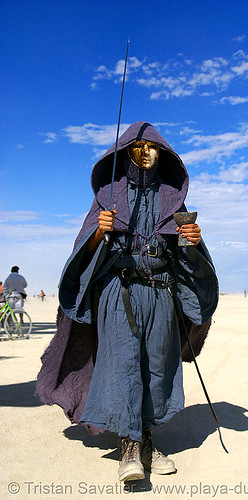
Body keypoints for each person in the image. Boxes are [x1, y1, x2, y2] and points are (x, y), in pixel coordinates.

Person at [36, 121, 219, 482]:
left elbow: (184, 258)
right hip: (119, 297)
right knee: (122, 367)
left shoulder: (174, 201)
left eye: (152, 148)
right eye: (136, 148)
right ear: (122, 155)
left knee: (157, 368)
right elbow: (83, 255)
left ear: (164, 156)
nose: (144, 153)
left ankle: (148, 440)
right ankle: (129, 449)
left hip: (160, 297)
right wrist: (98, 234)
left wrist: (192, 241)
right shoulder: (108, 198)